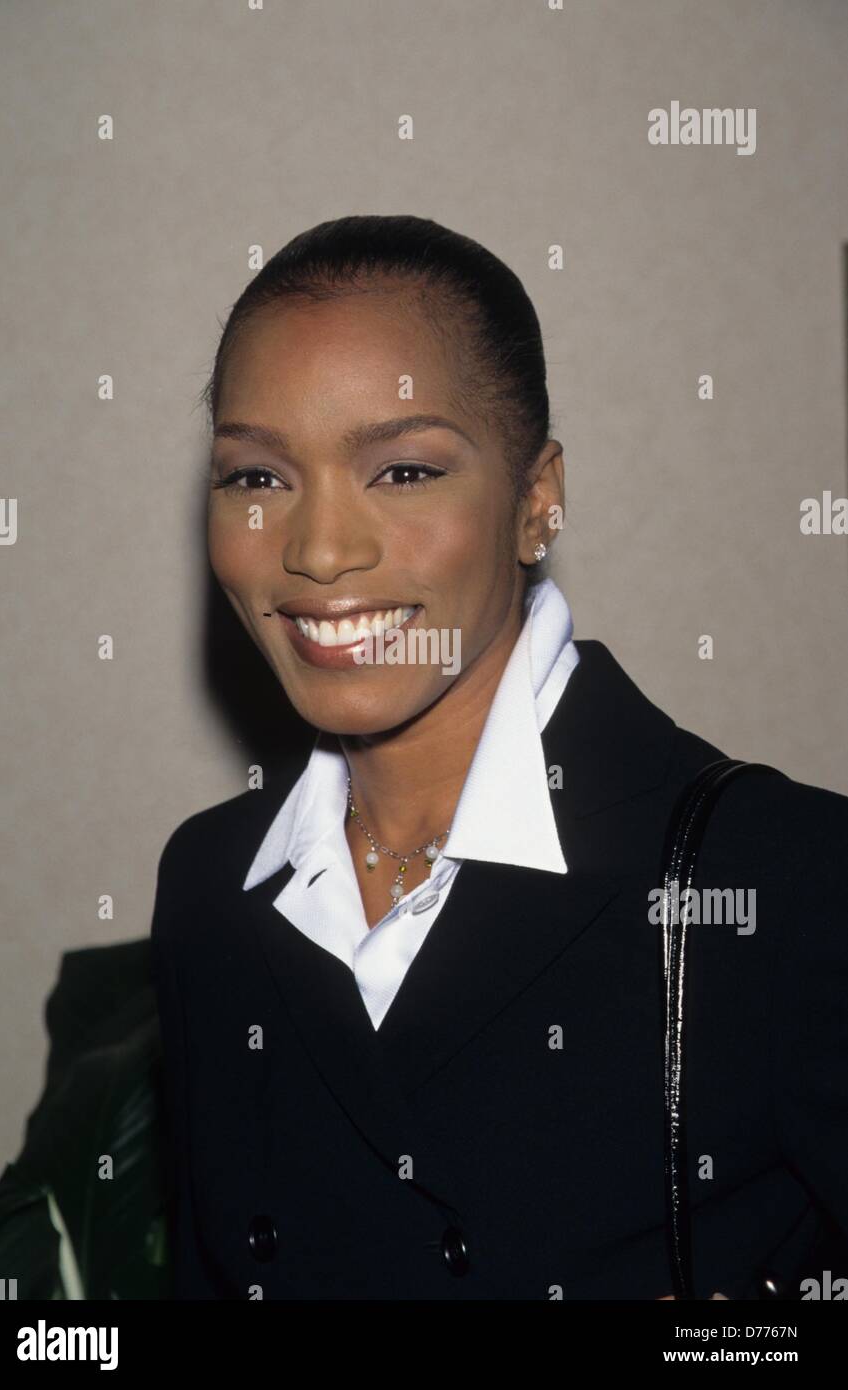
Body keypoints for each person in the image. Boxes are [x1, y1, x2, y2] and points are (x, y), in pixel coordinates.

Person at [150, 214, 848, 1300]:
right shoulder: (209, 882)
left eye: (404, 469)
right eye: (255, 477)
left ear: (535, 500)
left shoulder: (785, 881)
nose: (318, 550)